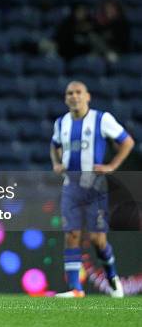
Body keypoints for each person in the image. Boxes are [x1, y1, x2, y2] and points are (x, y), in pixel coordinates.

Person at [50, 81, 134, 298]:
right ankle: (75, 289)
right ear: (65, 98)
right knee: (71, 235)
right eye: (70, 93)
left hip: (95, 187)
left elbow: (127, 142)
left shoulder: (101, 119)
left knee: (98, 240)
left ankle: (112, 276)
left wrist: (112, 166)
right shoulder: (61, 123)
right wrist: (56, 163)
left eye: (78, 92)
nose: (74, 96)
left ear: (87, 96)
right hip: (71, 186)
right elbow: (54, 145)